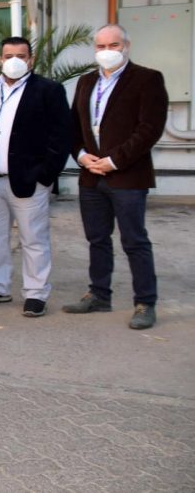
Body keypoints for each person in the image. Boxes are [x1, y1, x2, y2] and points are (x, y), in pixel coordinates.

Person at [63, 24, 167, 329]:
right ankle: (99, 294)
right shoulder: (86, 82)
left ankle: (145, 302)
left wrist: (113, 161)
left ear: (126, 46)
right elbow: (74, 126)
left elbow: (150, 128)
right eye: (100, 47)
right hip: (91, 176)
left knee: (134, 240)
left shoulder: (147, 79)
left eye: (113, 45)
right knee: (97, 238)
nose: (106, 52)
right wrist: (82, 156)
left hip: (127, 177)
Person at [0, 36, 70, 317]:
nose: (14, 60)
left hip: (28, 181)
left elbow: (61, 137)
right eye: (8, 55)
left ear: (31, 59)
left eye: (21, 55)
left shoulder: (48, 90)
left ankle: (36, 293)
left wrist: (45, 175)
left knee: (34, 239)